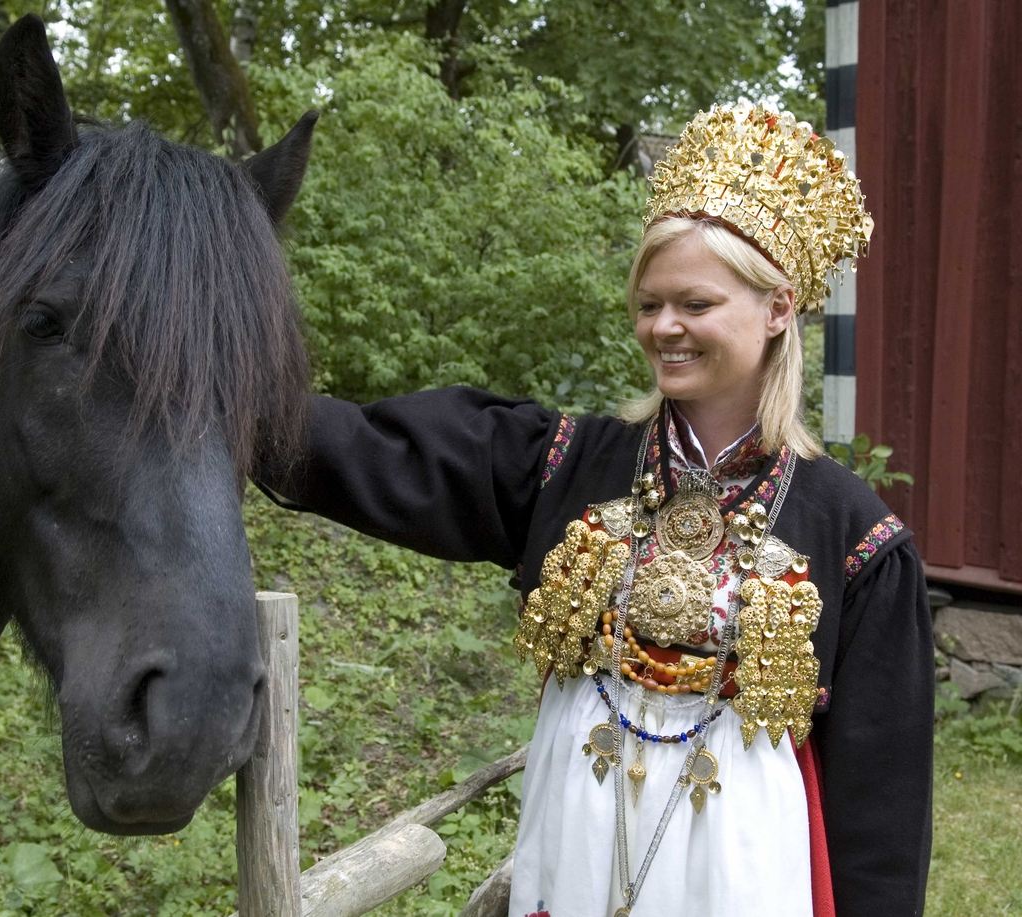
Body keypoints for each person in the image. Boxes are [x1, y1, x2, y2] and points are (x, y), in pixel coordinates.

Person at [257, 102, 933, 917]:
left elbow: (882, 800)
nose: (664, 327)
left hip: (742, 871)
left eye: (695, 303)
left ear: (780, 308)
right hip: (577, 848)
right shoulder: (570, 463)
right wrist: (212, 400)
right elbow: (374, 454)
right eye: (649, 303)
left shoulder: (853, 534)